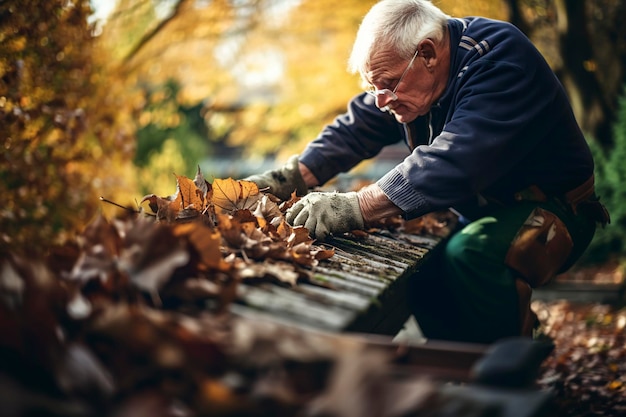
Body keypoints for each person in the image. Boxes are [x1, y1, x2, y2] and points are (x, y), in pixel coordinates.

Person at [245, 0, 610, 344]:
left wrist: (354, 206)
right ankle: (459, 364)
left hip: (556, 210)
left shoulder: (500, 61)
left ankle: (507, 370)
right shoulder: (408, 75)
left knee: (471, 253)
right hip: (487, 210)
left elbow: (456, 161)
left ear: (428, 53)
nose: (381, 99)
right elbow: (357, 127)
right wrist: (292, 177)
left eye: (387, 84)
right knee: (424, 272)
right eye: (373, 86)